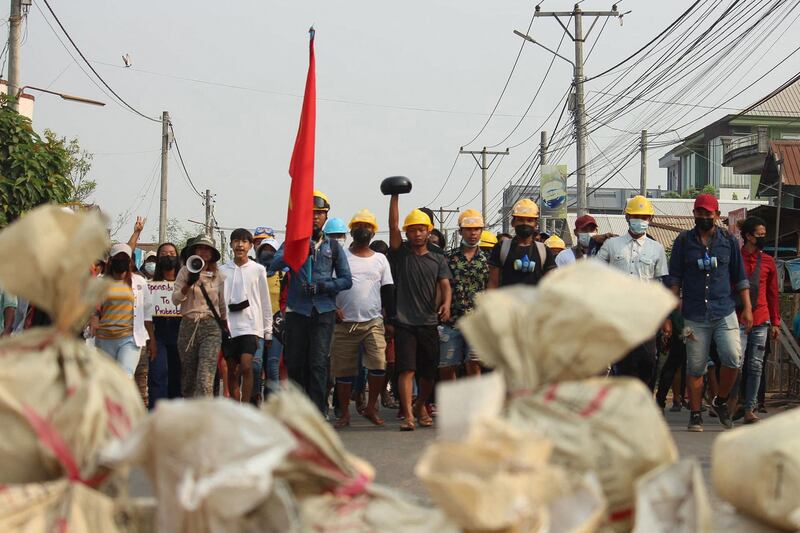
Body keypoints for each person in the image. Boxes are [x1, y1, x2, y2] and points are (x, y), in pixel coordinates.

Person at [667, 193, 753, 432]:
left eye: (709, 213)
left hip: (724, 310)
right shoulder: (683, 242)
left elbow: (740, 278)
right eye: (700, 213)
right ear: (694, 214)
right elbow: (675, 279)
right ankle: (695, 415)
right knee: (695, 367)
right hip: (694, 314)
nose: (704, 217)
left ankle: (721, 400)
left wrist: (747, 308)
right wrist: (672, 314)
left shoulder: (728, 241)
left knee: (733, 358)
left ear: (717, 215)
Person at [269, 190, 352, 414]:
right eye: (310, 213)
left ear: (326, 217)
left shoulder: (333, 246)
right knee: (295, 361)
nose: (315, 217)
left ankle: (318, 409)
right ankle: (299, 409)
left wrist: (324, 286)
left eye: (319, 213)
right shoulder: (292, 243)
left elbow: (346, 280)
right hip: (297, 310)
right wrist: (294, 253)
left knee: (318, 362)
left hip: (323, 310)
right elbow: (272, 266)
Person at [388, 195, 452, 431]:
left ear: (428, 231)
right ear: (407, 233)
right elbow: (392, 225)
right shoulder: (401, 254)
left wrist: (445, 304)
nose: (416, 234)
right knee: (407, 370)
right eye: (412, 230)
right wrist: (394, 196)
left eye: (421, 230)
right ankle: (409, 416)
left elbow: (445, 284)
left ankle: (420, 404)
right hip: (404, 323)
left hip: (428, 322)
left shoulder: (438, 258)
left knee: (428, 374)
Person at [596, 195, 670, 388]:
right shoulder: (612, 245)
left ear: (650, 219)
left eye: (644, 217)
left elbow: (660, 284)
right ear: (627, 217)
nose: (640, 221)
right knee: (622, 362)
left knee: (648, 360)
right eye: (635, 216)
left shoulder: (657, 249)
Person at [331, 209, 395, 427]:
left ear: (373, 232)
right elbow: (329, 285)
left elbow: (388, 290)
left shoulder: (381, 259)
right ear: (352, 231)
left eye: (368, 227)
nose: (363, 230)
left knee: (379, 364)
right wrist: (333, 307)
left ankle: (371, 407)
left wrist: (389, 319)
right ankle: (345, 414)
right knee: (343, 370)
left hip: (373, 322)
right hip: (344, 323)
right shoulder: (340, 256)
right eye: (359, 226)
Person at [734, 216, 780, 424]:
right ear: (748, 236)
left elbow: (773, 294)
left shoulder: (769, 262)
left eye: (764, 235)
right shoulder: (735, 259)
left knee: (755, 365)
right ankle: (731, 403)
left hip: (761, 319)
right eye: (759, 235)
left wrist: (776, 322)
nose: (763, 238)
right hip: (737, 318)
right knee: (735, 362)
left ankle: (750, 409)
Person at [220, 228, 273, 404]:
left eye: (244, 242)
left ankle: (247, 403)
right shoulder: (222, 270)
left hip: (251, 326)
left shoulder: (258, 270)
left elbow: (265, 301)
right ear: (231, 245)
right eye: (236, 241)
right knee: (232, 370)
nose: (240, 245)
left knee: (247, 366)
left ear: (250, 246)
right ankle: (236, 407)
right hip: (229, 327)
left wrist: (268, 330)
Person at [172, 235, 227, 398]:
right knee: (189, 379)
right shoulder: (184, 271)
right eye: (200, 248)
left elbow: (222, 303)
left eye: (207, 249)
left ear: (212, 253)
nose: (203, 252)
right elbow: (175, 300)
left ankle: (206, 418)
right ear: (194, 251)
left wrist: (225, 323)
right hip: (188, 325)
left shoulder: (218, 274)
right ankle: (191, 418)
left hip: (210, 326)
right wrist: (188, 283)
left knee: (205, 378)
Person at [93, 243, 155, 379]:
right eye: (118, 258)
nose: (121, 261)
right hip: (105, 338)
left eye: (124, 258)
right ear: (111, 261)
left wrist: (151, 339)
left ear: (130, 262)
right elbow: (94, 307)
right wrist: (94, 319)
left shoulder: (139, 282)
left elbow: (147, 312)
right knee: (107, 380)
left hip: (129, 338)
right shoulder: (100, 283)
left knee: (125, 377)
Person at [440, 209, 489, 381]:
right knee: (448, 365)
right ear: (460, 231)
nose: (473, 233)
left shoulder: (487, 260)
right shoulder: (448, 258)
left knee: (474, 363)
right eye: (468, 229)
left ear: (481, 231)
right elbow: (441, 286)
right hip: (452, 320)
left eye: (477, 229)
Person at [488, 198, 556, 288]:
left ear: (536, 224)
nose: (525, 224)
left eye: (529, 220)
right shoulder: (501, 248)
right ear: (513, 223)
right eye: (520, 220)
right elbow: (493, 283)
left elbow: (550, 286)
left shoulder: (544, 251)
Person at [148, 242, 183, 406]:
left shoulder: (185, 284)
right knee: (157, 376)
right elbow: (146, 315)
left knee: (178, 377)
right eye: (163, 253)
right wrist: (152, 340)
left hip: (180, 336)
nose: (168, 256)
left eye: (171, 253)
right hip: (158, 336)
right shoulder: (150, 285)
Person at [255, 232, 284, 399]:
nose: (267, 253)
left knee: (273, 366)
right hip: (256, 325)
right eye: (264, 250)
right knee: (256, 365)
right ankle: (255, 396)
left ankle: (272, 401)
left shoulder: (283, 274)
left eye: (271, 250)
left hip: (276, 325)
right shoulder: (253, 273)